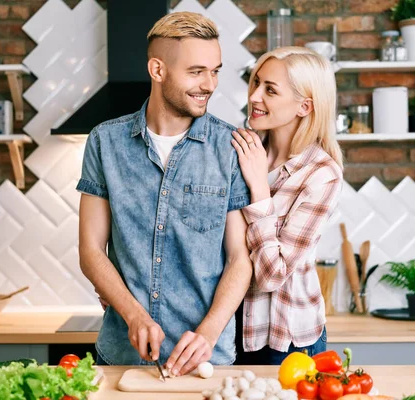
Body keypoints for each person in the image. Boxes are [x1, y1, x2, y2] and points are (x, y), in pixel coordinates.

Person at [77, 11, 253, 375]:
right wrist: (134, 316)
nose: (209, 84)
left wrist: (208, 333)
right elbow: (91, 251)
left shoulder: (229, 147)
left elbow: (240, 258)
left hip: (208, 360)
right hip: (123, 357)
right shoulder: (105, 143)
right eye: (196, 71)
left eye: (215, 70)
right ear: (157, 70)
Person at [230, 46, 344, 365]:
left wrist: (258, 188)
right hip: (230, 329)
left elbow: (272, 275)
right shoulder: (243, 151)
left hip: (284, 341)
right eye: (256, 83)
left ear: (304, 106)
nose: (254, 97)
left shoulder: (322, 174)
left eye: (270, 90)